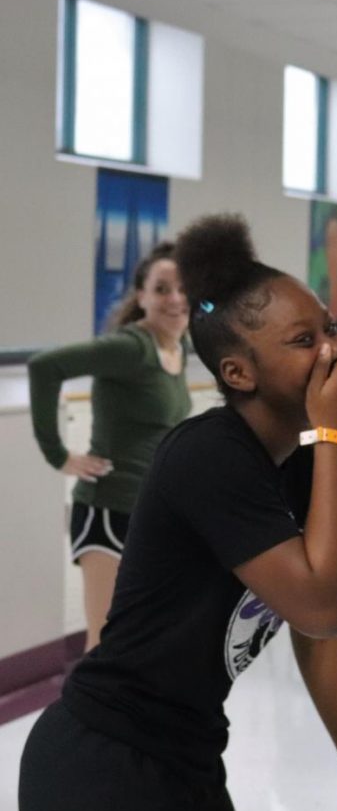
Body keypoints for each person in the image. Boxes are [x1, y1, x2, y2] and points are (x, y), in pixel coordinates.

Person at [19, 214, 337, 811]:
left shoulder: (298, 464)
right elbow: (322, 604)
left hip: (186, 758)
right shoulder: (209, 456)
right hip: (105, 768)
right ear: (238, 374)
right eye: (304, 341)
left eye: (330, 327)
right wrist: (335, 433)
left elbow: (319, 636)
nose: (336, 348)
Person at [28, 242, 191, 651]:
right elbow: (45, 367)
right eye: (161, 289)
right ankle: (79, 718)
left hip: (149, 515)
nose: (174, 299)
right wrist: (59, 455)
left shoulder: (177, 350)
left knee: (143, 640)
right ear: (142, 297)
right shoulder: (130, 347)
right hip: (106, 511)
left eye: (182, 288)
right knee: (104, 646)